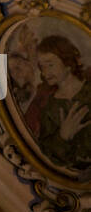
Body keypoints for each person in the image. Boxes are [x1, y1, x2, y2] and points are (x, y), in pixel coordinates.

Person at [34, 33, 91, 174]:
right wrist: (63, 136)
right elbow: (47, 154)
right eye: (42, 67)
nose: (45, 72)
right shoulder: (49, 107)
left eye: (50, 64)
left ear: (67, 62)